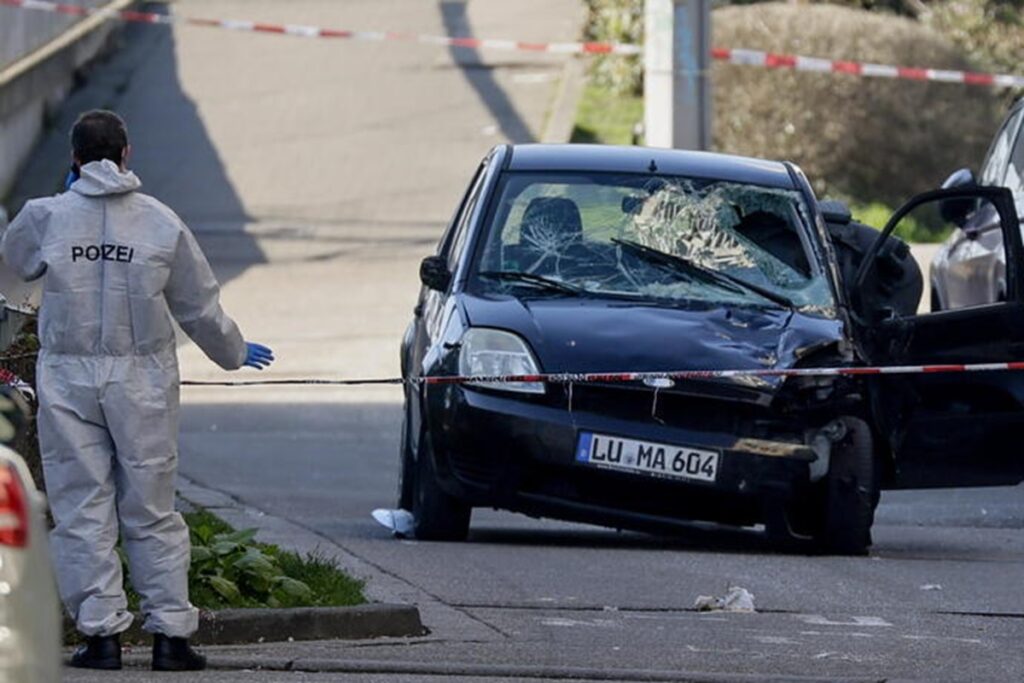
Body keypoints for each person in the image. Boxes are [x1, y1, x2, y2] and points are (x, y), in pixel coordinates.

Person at [1, 110, 275, 672]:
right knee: (151, 508)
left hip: (69, 378)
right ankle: (171, 636)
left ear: (73, 159)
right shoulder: (160, 223)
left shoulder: (46, 217)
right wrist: (232, 351)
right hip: (144, 380)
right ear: (127, 155)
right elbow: (199, 306)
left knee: (81, 506)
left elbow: (14, 265)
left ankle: (100, 636)